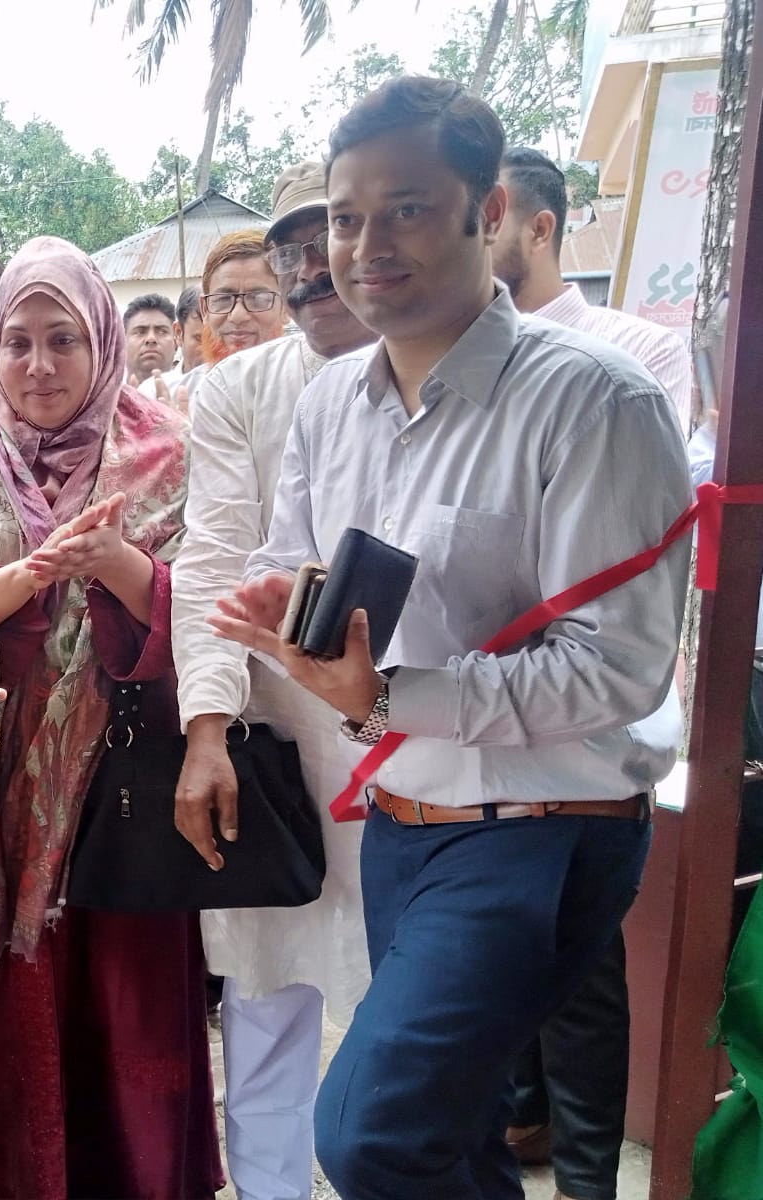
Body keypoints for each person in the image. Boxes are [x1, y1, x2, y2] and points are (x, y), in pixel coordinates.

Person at [209, 77, 691, 1200]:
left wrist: (386, 697)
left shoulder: (596, 403)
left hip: (545, 824)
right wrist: (278, 604)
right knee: (453, 1136)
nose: (365, 247)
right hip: (401, 822)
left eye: (408, 209)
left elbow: (617, 668)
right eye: (346, 218)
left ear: (491, 210)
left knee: (371, 1134)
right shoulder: (330, 402)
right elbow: (291, 553)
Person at [0, 236, 223, 1198]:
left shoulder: (166, 452)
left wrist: (119, 567)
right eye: (18, 343)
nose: (38, 366)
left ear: (101, 344)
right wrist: (23, 578)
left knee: (122, 1004)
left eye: (63, 341)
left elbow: (208, 615)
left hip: (120, 790)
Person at [171, 159, 377, 1200]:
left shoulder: (448, 376)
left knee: (408, 1012)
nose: (311, 269)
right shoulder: (238, 388)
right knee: (264, 998)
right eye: (292, 248)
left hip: (420, 743)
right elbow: (212, 556)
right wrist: (207, 727)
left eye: (323, 240)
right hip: (277, 741)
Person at [493, 145, 691, 1200]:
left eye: (487, 217)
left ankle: (584, 1179)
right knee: (488, 956)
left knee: (579, 966)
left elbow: (634, 538)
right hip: (464, 720)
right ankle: (519, 1121)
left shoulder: (634, 356)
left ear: (539, 226)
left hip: (583, 722)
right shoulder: (443, 361)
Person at [494, 146, 693, 431]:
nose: (465, 245)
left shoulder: (645, 349)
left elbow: (648, 459)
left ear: (539, 231)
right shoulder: (451, 352)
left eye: (488, 222)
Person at [175, 229, 290, 401]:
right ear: (205, 310)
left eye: (257, 299)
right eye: (223, 299)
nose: (237, 316)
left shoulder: (313, 392)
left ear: (286, 307)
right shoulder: (170, 398)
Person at [123, 292, 180, 395]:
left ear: (176, 342)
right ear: (123, 342)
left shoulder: (193, 394)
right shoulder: (105, 397)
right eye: (140, 332)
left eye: (162, 331)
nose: (151, 339)